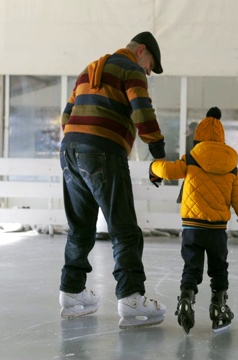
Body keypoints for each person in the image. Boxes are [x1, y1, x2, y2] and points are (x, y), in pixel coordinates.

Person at [58, 31, 167, 329]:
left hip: (69, 151)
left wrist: (79, 142)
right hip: (104, 152)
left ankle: (72, 293)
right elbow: (142, 112)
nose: (147, 71)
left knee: (80, 227)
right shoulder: (130, 69)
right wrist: (158, 149)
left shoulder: (88, 69)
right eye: (149, 65)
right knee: (124, 227)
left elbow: (65, 117)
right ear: (141, 50)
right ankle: (132, 299)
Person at [149, 107, 238, 335]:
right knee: (219, 269)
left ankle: (186, 298)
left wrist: (153, 167)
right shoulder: (231, 166)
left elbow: (168, 171)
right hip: (217, 230)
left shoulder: (191, 158)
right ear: (221, 138)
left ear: (198, 136)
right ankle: (219, 307)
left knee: (192, 267)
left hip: (192, 227)